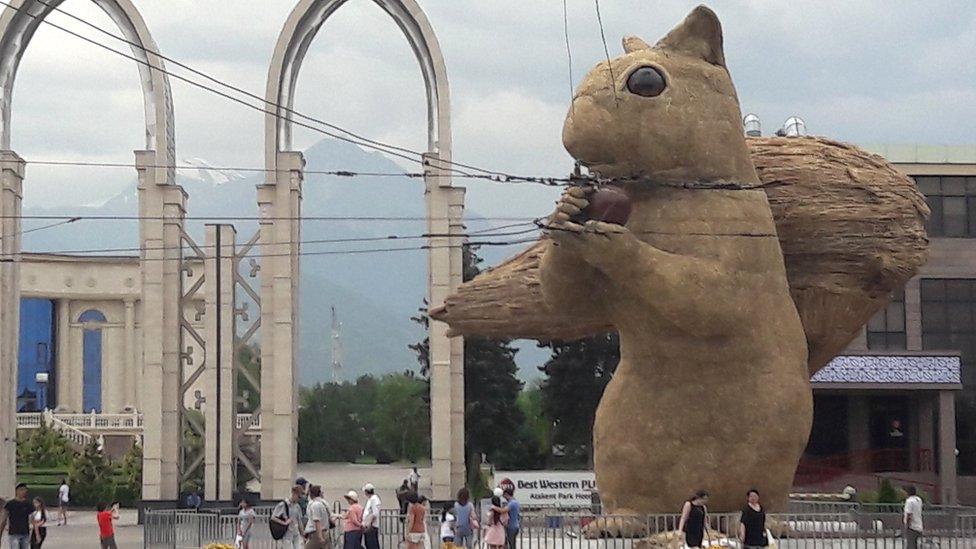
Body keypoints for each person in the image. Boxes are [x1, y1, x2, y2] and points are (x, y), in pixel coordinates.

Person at [1, 483, 34, 549]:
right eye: (21, 490)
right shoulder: (10, 504)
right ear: (17, 491)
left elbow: (32, 517)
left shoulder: (28, 504)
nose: (24, 492)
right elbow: (4, 518)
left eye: (25, 490)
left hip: (25, 533)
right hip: (14, 533)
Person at [305, 485, 332, 549]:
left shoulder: (315, 505)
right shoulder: (323, 503)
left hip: (316, 533)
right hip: (324, 532)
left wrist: (319, 537)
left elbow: (317, 521)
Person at [361, 483, 381, 549]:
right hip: (369, 526)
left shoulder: (373, 499)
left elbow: (374, 513)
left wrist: (369, 524)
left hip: (371, 527)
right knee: (369, 544)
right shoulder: (371, 499)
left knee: (371, 545)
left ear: (366, 492)